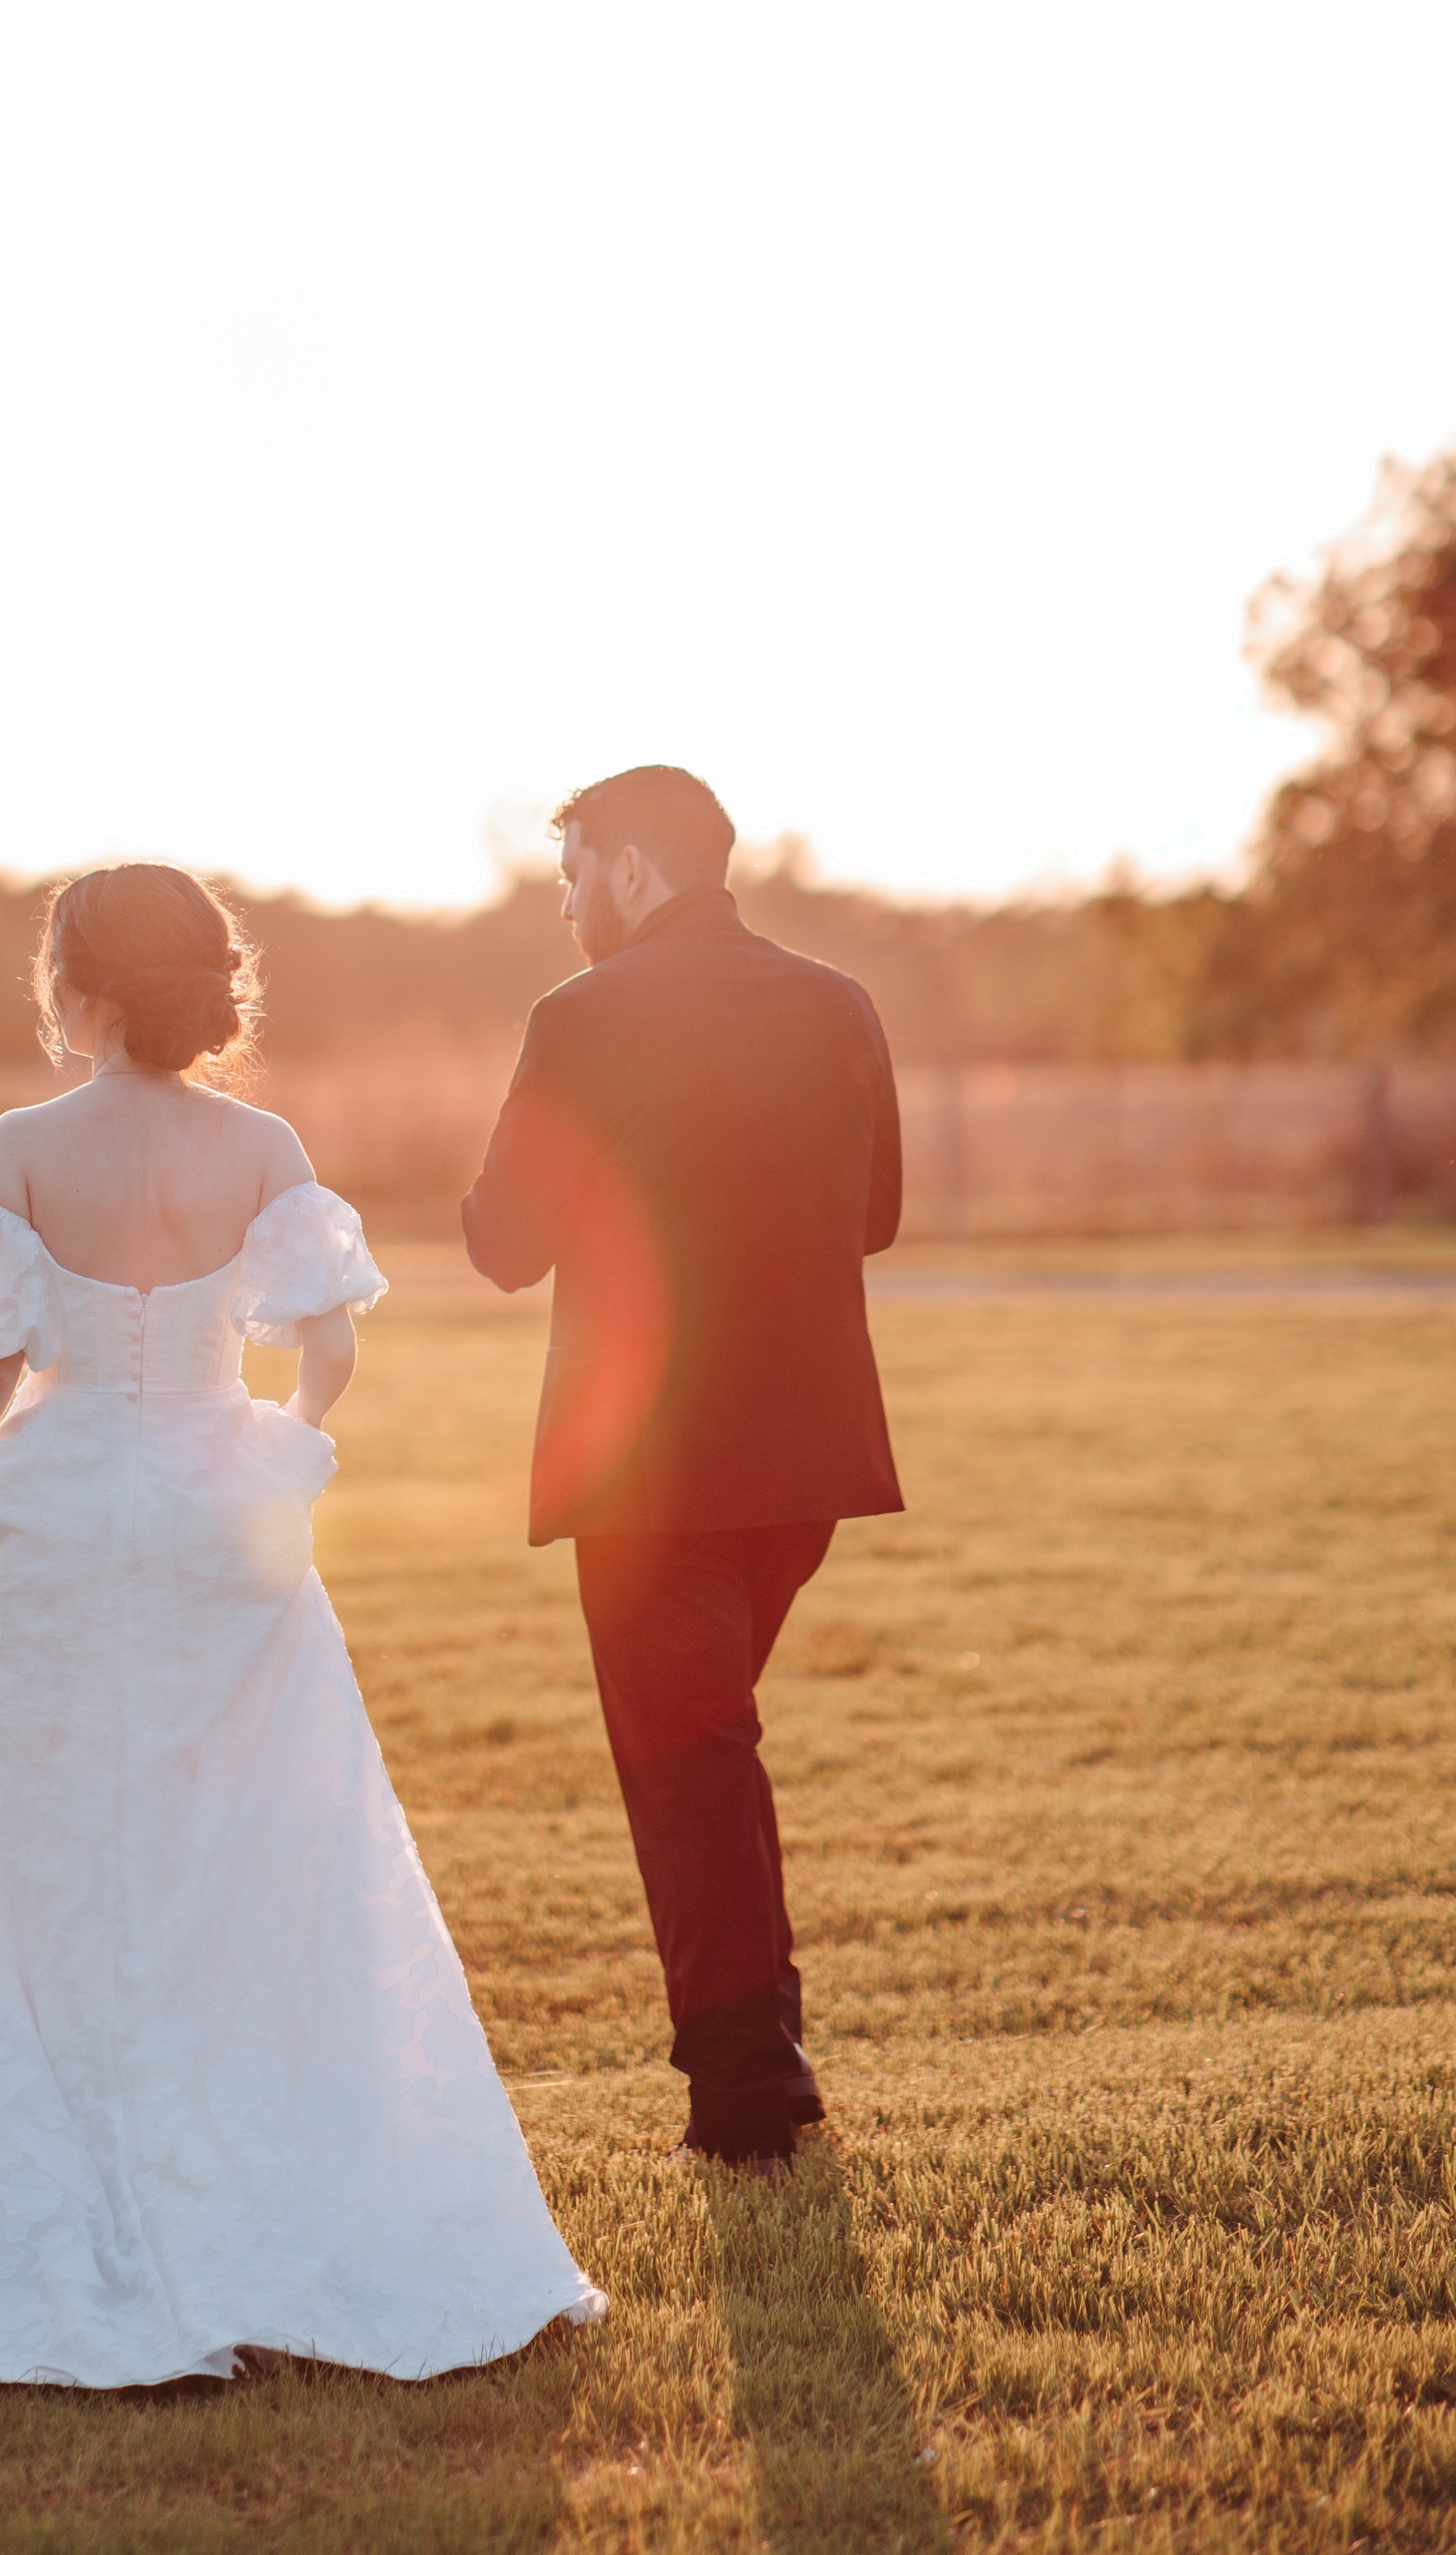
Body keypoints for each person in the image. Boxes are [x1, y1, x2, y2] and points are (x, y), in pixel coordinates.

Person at [0, 861, 603, 2384]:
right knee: (245, 1850)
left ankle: (34, 2167)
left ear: (83, 983)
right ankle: (240, 2174)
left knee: (23, 1856)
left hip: (56, 1511)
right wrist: (270, 1437)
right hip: (212, 1508)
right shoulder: (263, 1144)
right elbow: (324, 1349)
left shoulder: (22, 1141)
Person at [462, 767, 903, 2173]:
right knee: (713, 1746)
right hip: (809, 1458)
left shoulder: (579, 1020)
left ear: (635, 871)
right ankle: (769, 2055)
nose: (568, 902)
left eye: (573, 872)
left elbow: (500, 1242)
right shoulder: (840, 1002)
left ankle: (745, 2100)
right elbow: (878, 1216)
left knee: (688, 1760)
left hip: (650, 1464)